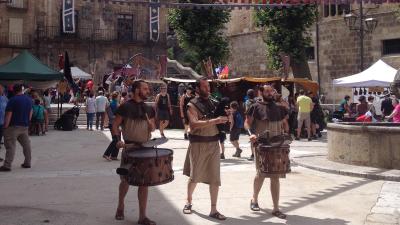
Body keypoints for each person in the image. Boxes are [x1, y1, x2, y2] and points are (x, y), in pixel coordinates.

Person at [182, 77, 228, 220]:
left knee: (215, 178)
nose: (208, 89)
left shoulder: (214, 103)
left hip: (214, 144)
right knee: (195, 177)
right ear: (197, 89)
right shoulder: (192, 105)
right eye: (204, 87)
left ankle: (213, 209)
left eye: (208, 86)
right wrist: (215, 120)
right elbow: (194, 124)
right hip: (198, 144)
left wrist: (227, 117)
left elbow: (222, 120)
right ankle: (188, 201)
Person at [112, 80, 157, 225]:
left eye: (147, 89)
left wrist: (151, 126)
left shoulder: (149, 109)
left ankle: (142, 217)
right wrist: (116, 140)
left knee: (144, 183)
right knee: (125, 180)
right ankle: (120, 205)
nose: (147, 91)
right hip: (130, 149)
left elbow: (153, 128)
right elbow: (115, 125)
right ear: (137, 90)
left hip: (145, 149)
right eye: (145, 88)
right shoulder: (125, 107)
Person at [245, 85, 288, 219]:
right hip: (262, 144)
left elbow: (284, 122)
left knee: (275, 176)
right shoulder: (255, 106)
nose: (270, 93)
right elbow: (247, 123)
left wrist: (286, 132)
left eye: (271, 91)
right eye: (267, 91)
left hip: (277, 145)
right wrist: (251, 134)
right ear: (261, 92)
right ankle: (254, 199)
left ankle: (276, 208)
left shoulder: (279, 107)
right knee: (261, 174)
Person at [0, 84, 33, 172]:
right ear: (21, 90)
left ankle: (7, 165)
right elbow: (30, 112)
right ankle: (27, 162)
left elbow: (8, 114)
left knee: (10, 146)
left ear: (14, 91)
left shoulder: (12, 100)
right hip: (24, 126)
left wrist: (5, 126)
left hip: (13, 126)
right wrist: (27, 122)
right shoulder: (29, 99)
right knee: (26, 145)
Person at [103, 92, 120, 161]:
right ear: (116, 97)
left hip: (116, 123)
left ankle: (114, 155)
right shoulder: (112, 104)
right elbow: (111, 116)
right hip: (113, 124)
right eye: (119, 96)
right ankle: (106, 154)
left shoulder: (115, 103)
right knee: (115, 139)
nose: (119, 97)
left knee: (118, 140)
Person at [0, 85, 8, 162]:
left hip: (2, 122)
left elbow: (8, 108)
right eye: (1, 89)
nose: (2, 90)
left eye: (2, 89)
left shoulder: (4, 98)